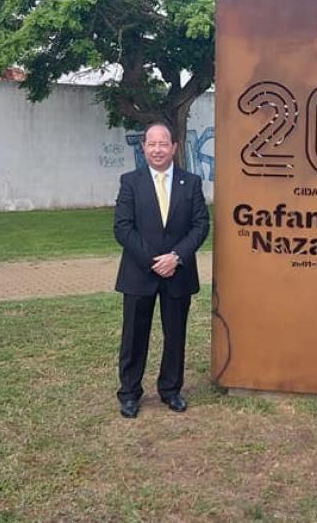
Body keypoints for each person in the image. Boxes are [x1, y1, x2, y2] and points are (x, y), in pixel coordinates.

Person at [113, 122, 210, 418]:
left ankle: (171, 390)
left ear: (174, 147)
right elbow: (122, 227)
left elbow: (201, 225)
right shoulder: (130, 181)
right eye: (151, 144)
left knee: (175, 334)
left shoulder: (191, 183)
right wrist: (154, 260)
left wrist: (176, 257)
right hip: (140, 273)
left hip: (178, 273)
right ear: (144, 147)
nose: (157, 149)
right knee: (134, 336)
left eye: (163, 143)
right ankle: (129, 393)